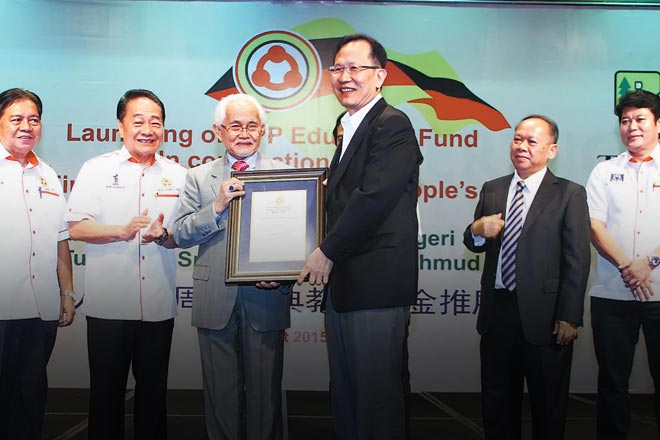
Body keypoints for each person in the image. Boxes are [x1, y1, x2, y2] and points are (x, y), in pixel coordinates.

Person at [297, 34, 423, 439]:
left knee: (375, 403)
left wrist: (325, 250)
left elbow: (374, 198)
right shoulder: (350, 127)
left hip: (375, 287)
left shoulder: (392, 124)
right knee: (347, 398)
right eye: (338, 68)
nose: (345, 77)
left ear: (380, 76)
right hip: (346, 288)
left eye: (356, 68)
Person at [66, 89, 186, 440]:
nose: (148, 129)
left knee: (154, 396)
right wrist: (121, 231)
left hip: (159, 304)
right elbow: (76, 226)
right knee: (105, 396)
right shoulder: (97, 169)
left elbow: (186, 233)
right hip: (109, 306)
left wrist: (164, 234)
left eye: (156, 122)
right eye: (139, 121)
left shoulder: (179, 175)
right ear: (121, 126)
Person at [463, 115, 590, 440]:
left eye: (532, 141)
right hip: (499, 313)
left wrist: (569, 315)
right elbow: (473, 240)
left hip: (546, 318)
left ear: (552, 150)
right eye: (517, 139)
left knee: (548, 406)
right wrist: (477, 230)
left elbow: (577, 259)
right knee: (497, 402)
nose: (522, 146)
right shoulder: (493, 189)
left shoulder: (569, 194)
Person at [172, 93, 291, 440]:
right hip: (214, 296)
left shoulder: (285, 176)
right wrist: (217, 208)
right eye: (235, 125)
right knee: (219, 393)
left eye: (251, 125)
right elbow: (179, 233)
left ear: (263, 130)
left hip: (266, 296)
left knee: (266, 394)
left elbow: (299, 239)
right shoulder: (198, 177)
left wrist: (282, 277)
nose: (243, 133)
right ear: (218, 131)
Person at [0, 88, 75, 440]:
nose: (26, 126)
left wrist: (67, 292)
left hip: (41, 307)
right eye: (16, 118)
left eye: (33, 119)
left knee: (31, 396)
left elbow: (61, 240)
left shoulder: (48, 174)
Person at [586, 89, 660, 440]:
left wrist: (651, 261)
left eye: (640, 119)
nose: (632, 127)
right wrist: (627, 267)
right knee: (612, 384)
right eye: (625, 120)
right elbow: (594, 226)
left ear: (658, 124)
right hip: (612, 295)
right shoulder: (604, 171)